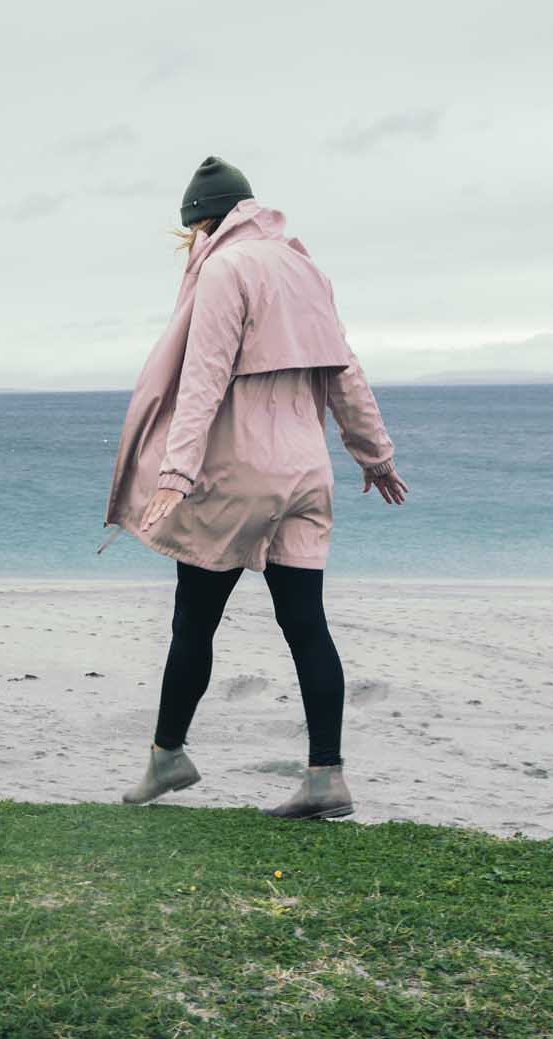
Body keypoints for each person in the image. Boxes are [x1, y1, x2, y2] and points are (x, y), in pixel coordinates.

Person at [102, 156, 408, 819]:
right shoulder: (305, 268)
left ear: (201, 226)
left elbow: (204, 379)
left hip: (238, 474)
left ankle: (167, 756)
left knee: (195, 621)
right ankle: (326, 775)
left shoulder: (222, 269)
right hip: (307, 474)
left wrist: (175, 475)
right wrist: (374, 454)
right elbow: (345, 372)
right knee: (305, 624)